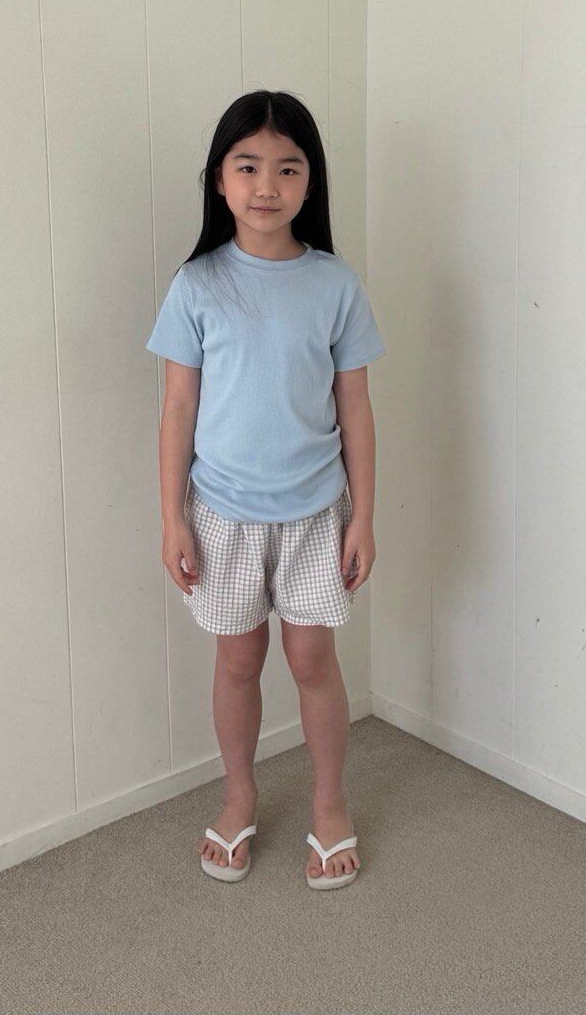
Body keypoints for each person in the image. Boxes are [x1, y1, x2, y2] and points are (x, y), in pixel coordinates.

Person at [145, 89, 385, 890]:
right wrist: (172, 518)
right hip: (222, 515)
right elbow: (179, 407)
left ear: (310, 182)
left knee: (313, 659)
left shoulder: (334, 284)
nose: (267, 186)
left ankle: (329, 803)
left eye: (287, 168)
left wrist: (364, 517)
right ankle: (239, 795)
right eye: (247, 166)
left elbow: (356, 406)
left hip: (317, 513)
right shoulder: (198, 284)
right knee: (237, 661)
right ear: (219, 180)